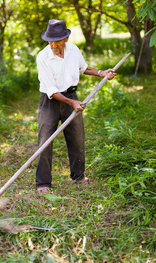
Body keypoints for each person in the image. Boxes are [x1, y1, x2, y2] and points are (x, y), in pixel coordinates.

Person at [36, 19, 116, 192]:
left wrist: (101, 73)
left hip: (71, 95)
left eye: (56, 41)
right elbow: (50, 89)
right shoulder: (42, 57)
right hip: (50, 100)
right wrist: (72, 103)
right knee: (45, 140)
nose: (52, 45)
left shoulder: (73, 50)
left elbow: (83, 68)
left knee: (77, 138)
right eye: (50, 41)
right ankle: (43, 182)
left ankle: (78, 176)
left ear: (65, 38)